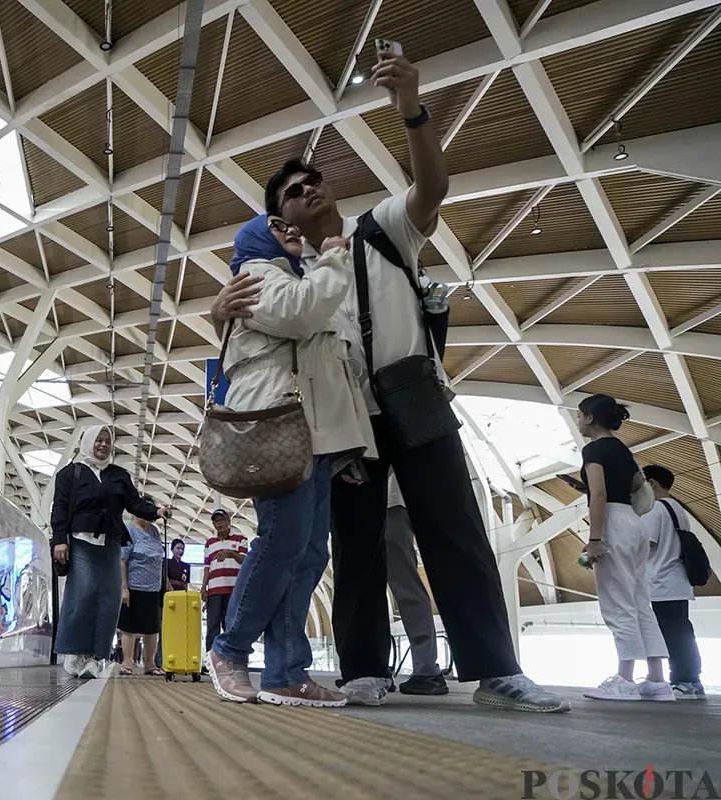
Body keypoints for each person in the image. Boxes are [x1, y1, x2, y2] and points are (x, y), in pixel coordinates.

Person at [212, 47, 567, 713]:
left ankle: (496, 670)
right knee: (355, 542)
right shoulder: (285, 272)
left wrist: (411, 112)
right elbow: (266, 331)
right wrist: (217, 310)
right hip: (347, 423)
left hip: (413, 394)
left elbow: (432, 189)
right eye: (294, 190)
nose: (311, 187)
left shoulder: (379, 229)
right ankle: (365, 668)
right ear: (280, 222)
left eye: (315, 179)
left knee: (455, 529)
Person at [204, 209, 376, 710]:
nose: (290, 230)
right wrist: (335, 255)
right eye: (278, 225)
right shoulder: (258, 273)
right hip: (277, 423)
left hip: (312, 432)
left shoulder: (295, 275)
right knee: (281, 543)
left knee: (308, 554)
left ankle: (286, 672)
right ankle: (229, 649)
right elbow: (301, 313)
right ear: (257, 238)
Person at [51, 425, 171, 679]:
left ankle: (97, 655)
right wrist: (60, 540)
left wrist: (155, 511)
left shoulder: (118, 475)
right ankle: (76, 651)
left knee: (110, 600)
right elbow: (59, 508)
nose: (104, 445)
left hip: (111, 542)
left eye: (108, 441)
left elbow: (134, 502)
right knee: (82, 596)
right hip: (81, 540)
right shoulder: (70, 474)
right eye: (99, 440)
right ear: (87, 442)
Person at [577, 395, 672, 702]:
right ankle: (657, 680)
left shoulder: (593, 449)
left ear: (590, 418)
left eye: (579, 416)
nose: (578, 421)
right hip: (634, 522)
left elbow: (600, 494)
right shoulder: (622, 449)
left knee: (618, 602)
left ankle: (624, 680)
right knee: (640, 600)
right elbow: (632, 487)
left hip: (613, 524)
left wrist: (594, 538)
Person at [642, 464, 705, 700]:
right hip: (678, 580)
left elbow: (645, 545)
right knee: (682, 631)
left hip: (662, 581)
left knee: (670, 634)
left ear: (651, 483)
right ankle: (692, 680)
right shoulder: (677, 508)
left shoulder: (656, 509)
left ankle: (682, 680)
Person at [384, 470, 447, 695]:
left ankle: (425, 669)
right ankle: (425, 668)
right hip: (390, 503)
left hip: (389, 504)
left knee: (404, 587)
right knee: (405, 586)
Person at [119, 505, 169, 676]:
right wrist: (124, 588)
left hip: (153, 587)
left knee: (152, 627)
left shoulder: (154, 531)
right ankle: (127, 662)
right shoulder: (128, 529)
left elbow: (158, 558)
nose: (148, 517)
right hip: (133, 586)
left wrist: (165, 582)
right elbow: (122, 560)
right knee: (129, 626)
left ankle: (150, 664)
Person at [202, 510, 247, 655]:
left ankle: (230, 658)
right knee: (212, 626)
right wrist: (204, 588)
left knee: (231, 626)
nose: (219, 523)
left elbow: (245, 560)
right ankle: (211, 659)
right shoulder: (209, 543)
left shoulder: (241, 539)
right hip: (214, 591)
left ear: (228, 521)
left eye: (222, 519)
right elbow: (207, 568)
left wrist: (231, 553)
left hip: (234, 590)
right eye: (216, 521)